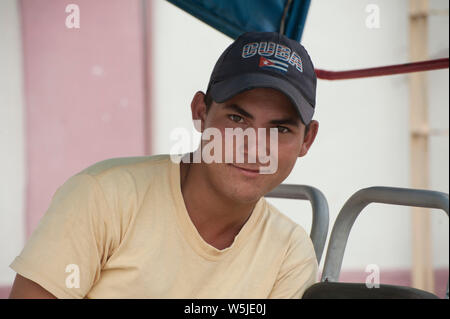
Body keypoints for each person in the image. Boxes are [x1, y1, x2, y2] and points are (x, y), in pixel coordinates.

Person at [9, 31, 320, 299]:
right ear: (200, 112)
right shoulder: (104, 197)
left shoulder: (289, 254)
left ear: (307, 140)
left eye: (280, 129)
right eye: (237, 119)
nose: (253, 149)